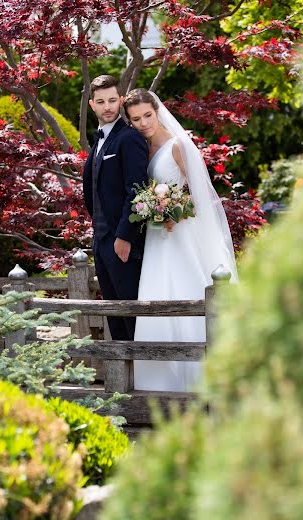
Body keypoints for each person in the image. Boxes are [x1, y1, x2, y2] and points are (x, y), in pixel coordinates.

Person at [123, 88, 238, 392]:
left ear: (157, 112)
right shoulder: (140, 148)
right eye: (136, 119)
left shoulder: (177, 146)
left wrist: (176, 211)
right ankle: (160, 381)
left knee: (187, 287)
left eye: (148, 115)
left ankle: (201, 375)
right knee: (157, 293)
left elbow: (201, 195)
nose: (144, 122)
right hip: (158, 238)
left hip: (181, 233)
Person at [83, 75, 149, 341]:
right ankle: (124, 381)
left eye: (112, 100)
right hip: (101, 241)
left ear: (121, 101)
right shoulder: (99, 140)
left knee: (131, 316)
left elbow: (136, 189)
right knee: (115, 317)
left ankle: (142, 379)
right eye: (101, 102)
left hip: (122, 243)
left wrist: (124, 236)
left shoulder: (129, 138)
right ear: (92, 105)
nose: (107, 106)